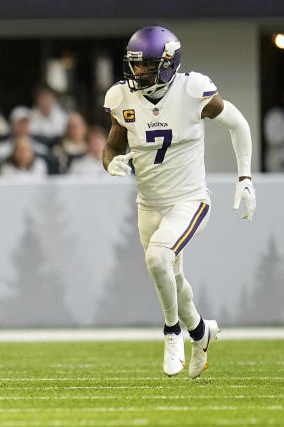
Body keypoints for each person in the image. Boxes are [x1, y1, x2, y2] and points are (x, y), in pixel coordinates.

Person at [102, 26, 255, 379]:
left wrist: (245, 178)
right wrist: (111, 163)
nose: (138, 73)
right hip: (148, 203)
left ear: (168, 65)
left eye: (146, 66)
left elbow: (238, 124)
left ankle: (172, 333)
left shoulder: (192, 91)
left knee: (158, 259)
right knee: (173, 276)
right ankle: (201, 334)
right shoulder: (122, 98)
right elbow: (112, 146)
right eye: (135, 65)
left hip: (189, 200)